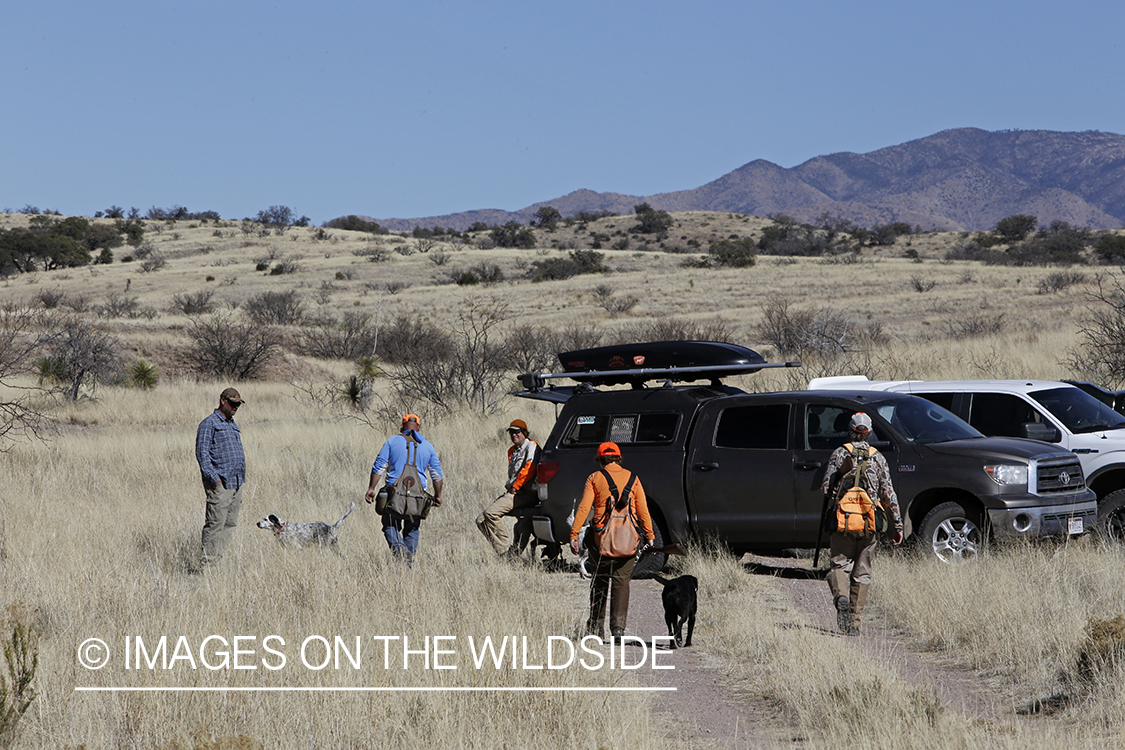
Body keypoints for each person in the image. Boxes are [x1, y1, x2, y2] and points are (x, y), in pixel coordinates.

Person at [820, 412, 903, 635]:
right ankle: (855, 624)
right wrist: (898, 525)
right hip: (869, 523)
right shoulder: (878, 458)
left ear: (850, 430)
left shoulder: (840, 453)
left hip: (842, 522)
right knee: (862, 573)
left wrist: (841, 473)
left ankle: (842, 599)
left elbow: (826, 489)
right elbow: (889, 494)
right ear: (869, 432)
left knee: (839, 566)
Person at [568, 442, 654, 642]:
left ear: (600, 459)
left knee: (599, 581)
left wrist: (574, 534)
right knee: (621, 582)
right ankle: (618, 630)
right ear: (619, 457)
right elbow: (643, 509)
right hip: (629, 539)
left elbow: (583, 508)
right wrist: (649, 535)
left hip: (600, 539)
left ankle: (596, 628)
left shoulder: (595, 478)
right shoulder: (633, 478)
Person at [364, 413, 444, 565]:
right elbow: (437, 475)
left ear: (402, 426)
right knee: (412, 530)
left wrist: (371, 488)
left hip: (393, 496)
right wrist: (438, 496)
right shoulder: (427, 446)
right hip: (418, 498)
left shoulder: (392, 441)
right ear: (418, 427)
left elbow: (379, 467)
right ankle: (408, 563)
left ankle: (400, 552)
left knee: (390, 525)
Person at [195, 387, 246, 567]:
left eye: (238, 404)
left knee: (230, 524)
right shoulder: (208, 424)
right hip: (221, 484)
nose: (235, 407)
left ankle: (217, 561)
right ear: (222, 400)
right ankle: (206, 565)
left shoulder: (231, 423)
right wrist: (215, 480)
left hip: (236, 482)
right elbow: (202, 455)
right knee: (215, 524)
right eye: (233, 403)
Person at [476, 419, 540, 557]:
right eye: (511, 432)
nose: (513, 435)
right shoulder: (512, 450)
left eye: (516, 431)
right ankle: (504, 552)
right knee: (480, 520)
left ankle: (505, 550)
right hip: (514, 492)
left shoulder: (531, 446)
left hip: (526, 493)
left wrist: (515, 486)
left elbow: (530, 468)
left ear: (524, 432)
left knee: (490, 513)